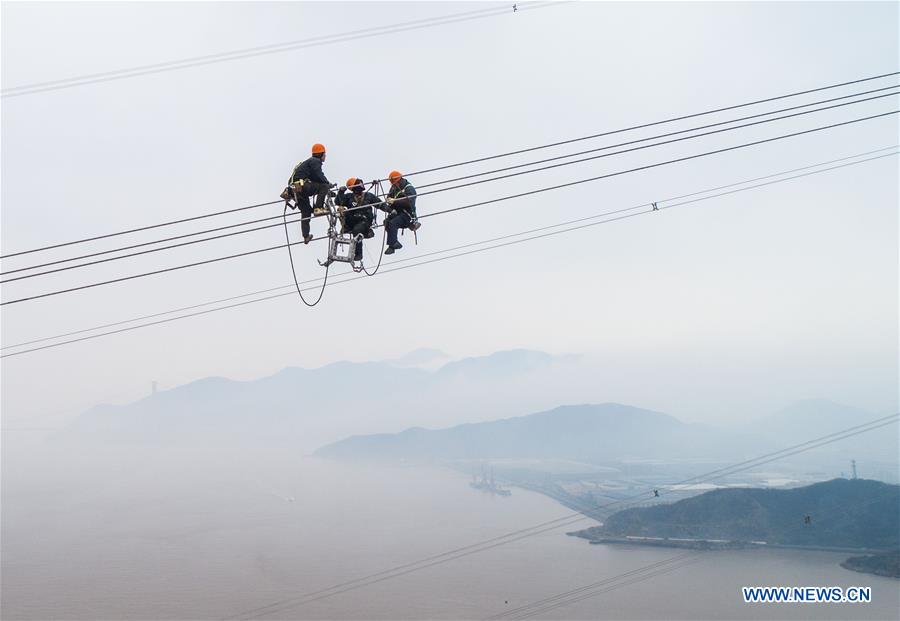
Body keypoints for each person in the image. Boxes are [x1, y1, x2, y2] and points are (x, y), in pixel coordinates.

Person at [286, 143, 333, 244]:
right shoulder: (315, 161)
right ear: (320, 154)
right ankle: (318, 208)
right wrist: (328, 184)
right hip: (301, 187)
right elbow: (319, 176)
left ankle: (306, 236)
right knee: (324, 186)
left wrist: (329, 190)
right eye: (324, 154)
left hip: (296, 191)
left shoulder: (308, 163)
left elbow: (315, 179)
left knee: (306, 212)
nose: (325, 156)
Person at [336, 178, 378, 261]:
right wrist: (340, 192)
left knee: (357, 230)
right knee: (342, 210)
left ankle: (359, 254)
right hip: (353, 219)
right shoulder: (349, 197)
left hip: (364, 220)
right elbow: (338, 202)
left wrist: (391, 211)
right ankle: (347, 228)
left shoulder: (368, 196)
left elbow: (380, 204)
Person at [382, 170, 421, 255]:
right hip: (398, 212)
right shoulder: (394, 188)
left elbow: (409, 202)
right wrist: (389, 202)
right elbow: (390, 197)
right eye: (393, 183)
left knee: (393, 223)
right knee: (386, 222)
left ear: (400, 180)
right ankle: (393, 245)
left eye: (396, 183)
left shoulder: (409, 189)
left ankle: (393, 244)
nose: (395, 185)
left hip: (407, 215)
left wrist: (394, 201)